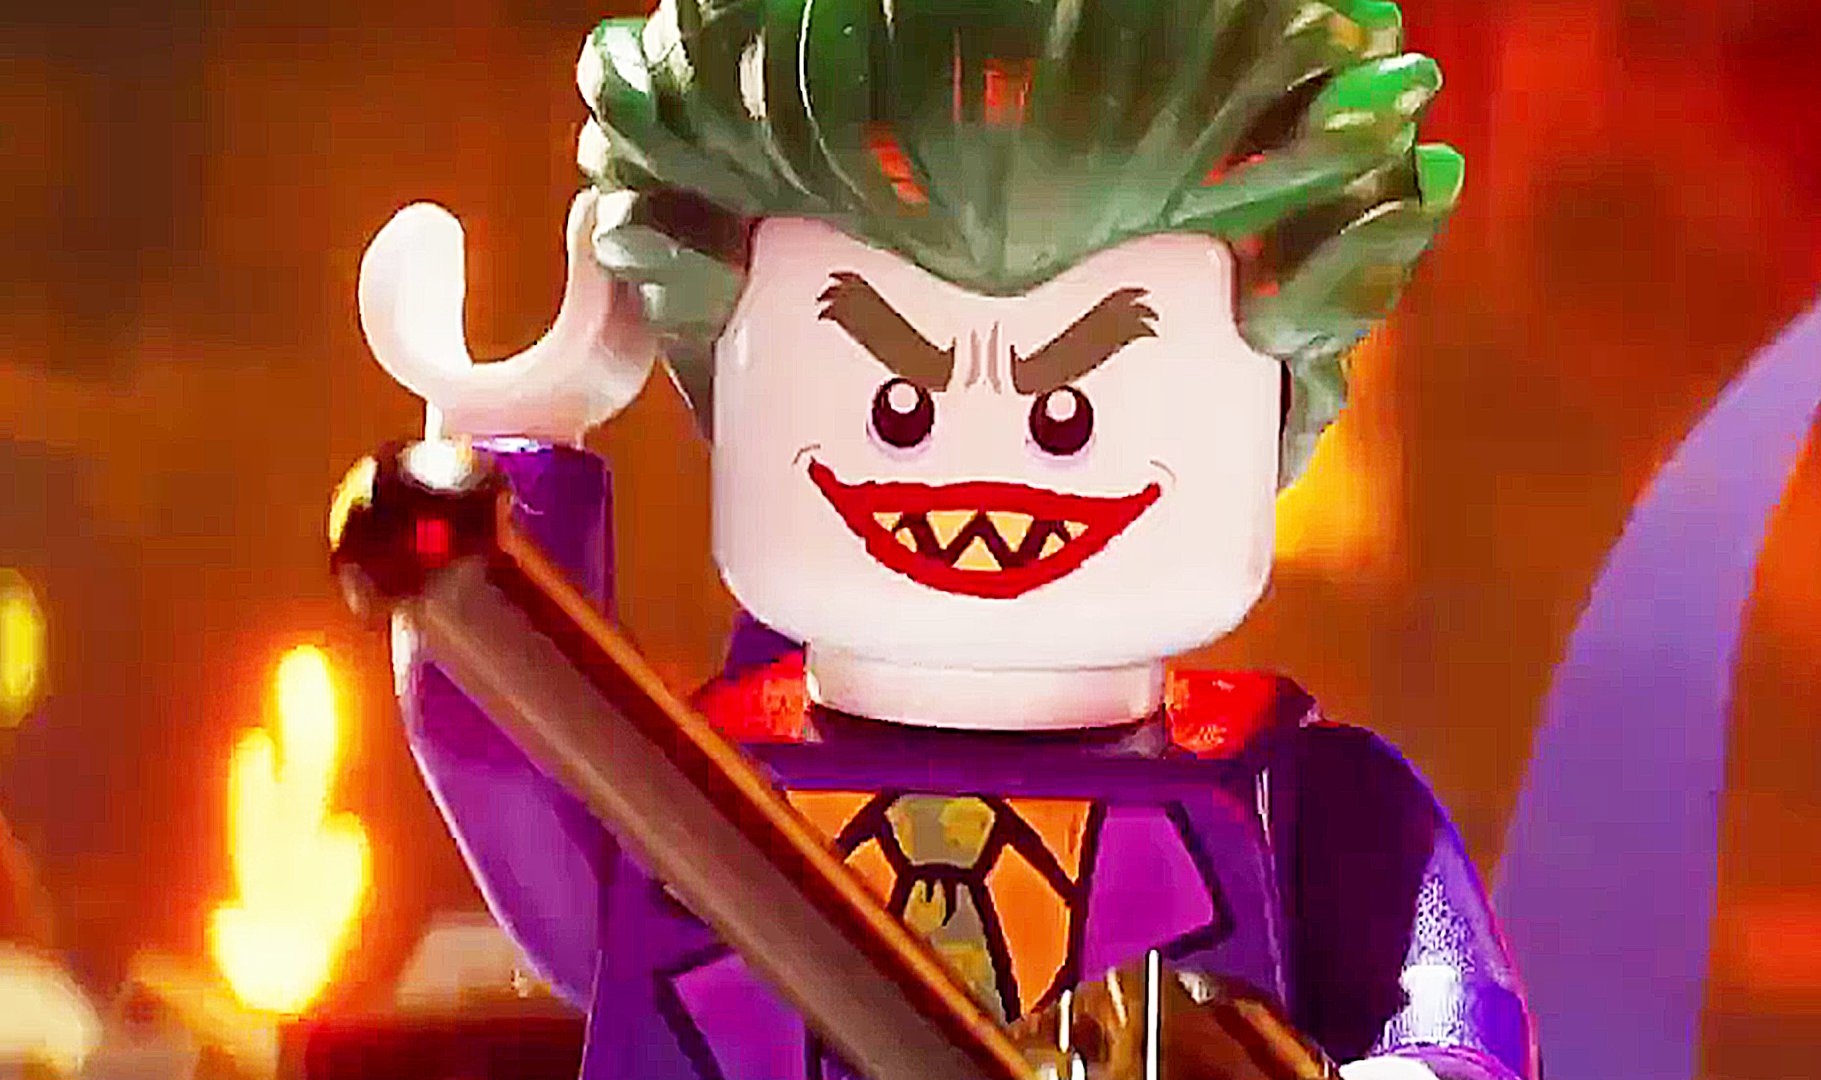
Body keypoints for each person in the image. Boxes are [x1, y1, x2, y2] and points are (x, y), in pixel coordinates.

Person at [357, 4, 1534, 1078]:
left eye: (1068, 412)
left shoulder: (1309, 811)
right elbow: (506, 739)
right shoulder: (688, 800)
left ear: (1278, 392)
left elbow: (1453, 1026)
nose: (981, 472)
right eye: (897, 404)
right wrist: (518, 443)